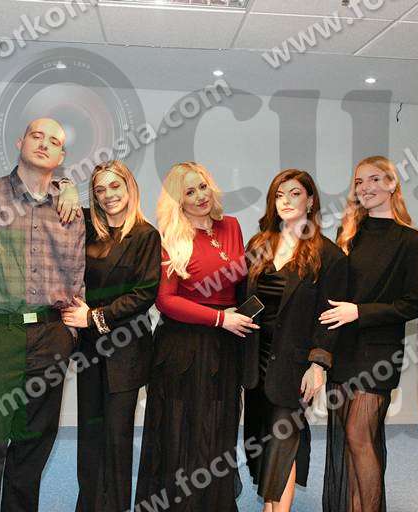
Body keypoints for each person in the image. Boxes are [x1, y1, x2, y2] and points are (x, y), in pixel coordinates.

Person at [0, 117, 83, 512]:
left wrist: (69, 336)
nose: (43, 144)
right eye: (36, 136)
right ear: (20, 142)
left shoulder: (70, 210)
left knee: (33, 444)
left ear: (61, 155)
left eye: (54, 141)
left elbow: (76, 275)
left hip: (51, 336)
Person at [134, 162, 257, 511]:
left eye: (202, 186)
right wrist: (219, 318)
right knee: (182, 435)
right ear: (179, 200)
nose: (200, 196)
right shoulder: (171, 237)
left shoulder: (231, 226)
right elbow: (166, 301)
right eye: (189, 191)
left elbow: (240, 285)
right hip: (184, 349)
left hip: (226, 345)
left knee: (219, 432)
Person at [320, 156, 418, 512]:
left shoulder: (413, 242)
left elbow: (413, 304)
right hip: (343, 348)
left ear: (392, 184)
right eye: (358, 182)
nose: (365, 187)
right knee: (351, 442)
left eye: (374, 179)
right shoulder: (347, 236)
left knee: (359, 434)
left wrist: (359, 312)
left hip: (379, 352)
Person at [242, 169, 348, 512]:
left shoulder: (328, 255)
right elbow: (247, 300)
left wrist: (318, 365)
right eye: (279, 195)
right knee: (261, 439)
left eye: (295, 193)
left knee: (283, 439)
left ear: (310, 200)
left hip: (295, 363)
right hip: (256, 360)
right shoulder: (258, 246)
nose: (285, 201)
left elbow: (329, 317)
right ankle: (269, 505)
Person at [61, 160, 161, 512]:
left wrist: (93, 317)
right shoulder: (88, 227)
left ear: (129, 187)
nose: (108, 195)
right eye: (100, 189)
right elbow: (50, 197)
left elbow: (144, 295)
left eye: (115, 186)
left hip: (126, 352)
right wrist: (66, 185)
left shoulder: (146, 235)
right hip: (90, 351)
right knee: (89, 437)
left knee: (117, 440)